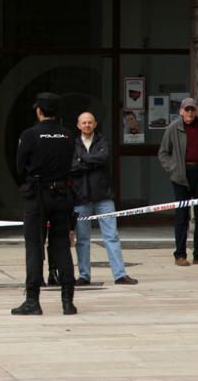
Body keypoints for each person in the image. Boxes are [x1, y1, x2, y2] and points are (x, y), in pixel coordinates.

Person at [9, 93, 77, 316]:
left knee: (35, 247)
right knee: (62, 246)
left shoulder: (29, 135)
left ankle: (32, 300)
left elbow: (20, 167)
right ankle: (68, 301)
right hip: (62, 195)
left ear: (39, 111)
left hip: (38, 196)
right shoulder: (68, 135)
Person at [71, 112, 138, 286]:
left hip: (104, 196)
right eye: (84, 123)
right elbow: (72, 166)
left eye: (90, 122)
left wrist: (82, 159)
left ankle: (119, 274)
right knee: (82, 239)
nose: (87, 125)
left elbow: (103, 158)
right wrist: (88, 162)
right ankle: (84, 275)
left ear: (95, 124)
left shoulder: (103, 141)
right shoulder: (73, 143)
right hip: (81, 197)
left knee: (111, 236)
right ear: (78, 125)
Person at [157, 98, 198, 267]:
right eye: (187, 110)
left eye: (192, 109)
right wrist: (173, 168)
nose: (190, 113)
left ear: (196, 111)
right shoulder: (173, 129)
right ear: (181, 111)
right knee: (182, 216)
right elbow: (163, 152)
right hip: (182, 175)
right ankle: (180, 254)